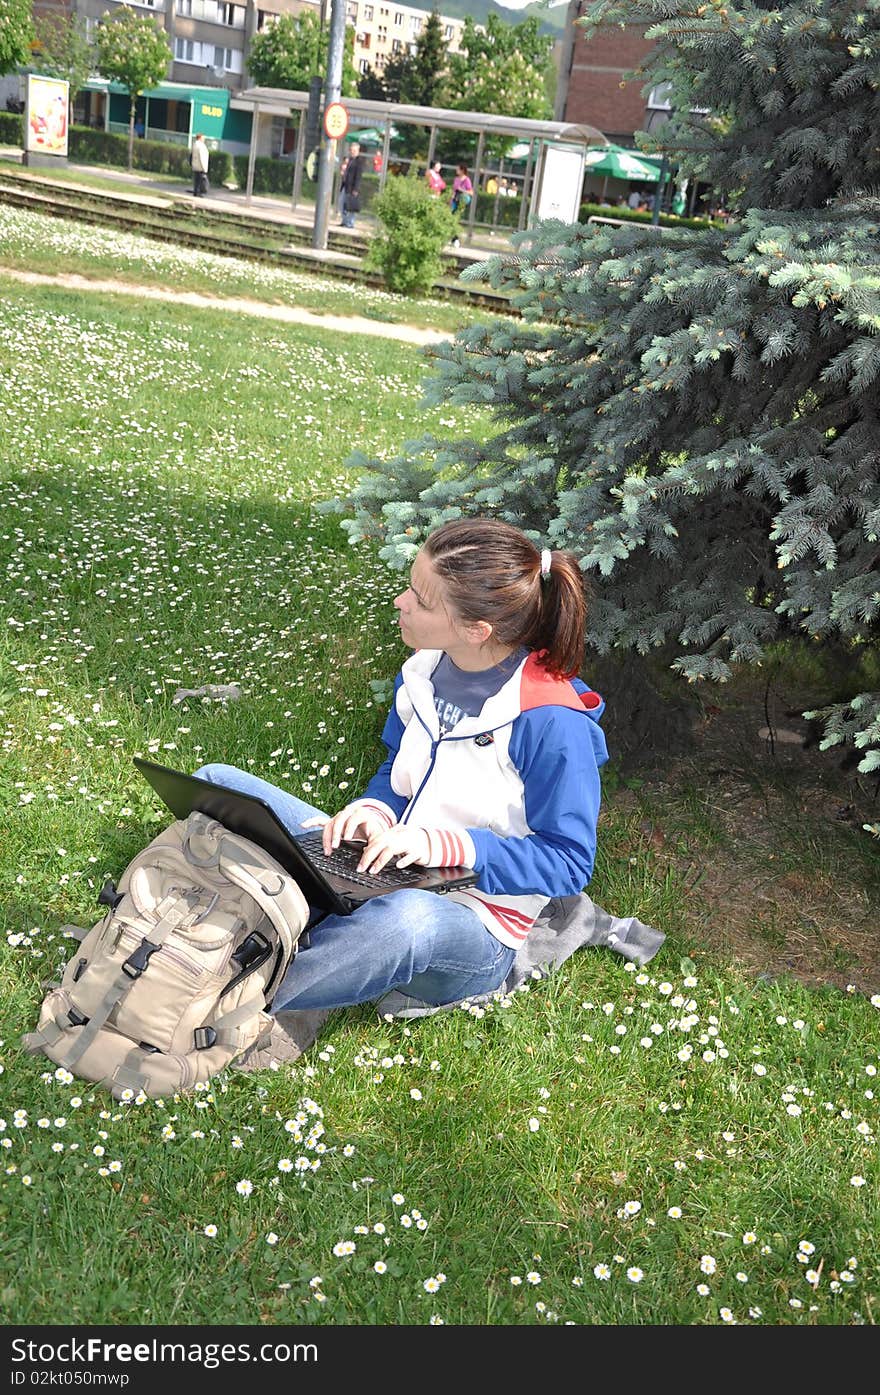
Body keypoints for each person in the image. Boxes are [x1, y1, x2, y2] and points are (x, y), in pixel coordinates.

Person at [193, 518, 608, 1016]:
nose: (400, 602)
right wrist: (376, 811)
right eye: (411, 586)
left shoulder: (552, 724)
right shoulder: (422, 671)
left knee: (405, 921)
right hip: (383, 867)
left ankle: (223, 1004)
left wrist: (443, 845)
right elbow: (398, 768)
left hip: (471, 924)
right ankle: (242, 937)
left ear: (477, 630)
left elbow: (569, 862)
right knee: (216, 784)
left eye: (421, 599)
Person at [339, 140, 364, 229]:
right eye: (351, 150)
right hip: (345, 185)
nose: (352, 152)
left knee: (351, 205)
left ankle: (350, 223)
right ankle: (344, 220)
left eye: (354, 150)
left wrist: (356, 189)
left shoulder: (359, 161)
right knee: (342, 203)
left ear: (357, 151)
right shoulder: (349, 160)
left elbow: (358, 176)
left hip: (352, 187)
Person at [191, 132, 209, 197]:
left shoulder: (195, 144)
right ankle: (200, 192)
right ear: (200, 138)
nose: (204, 139)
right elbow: (202, 157)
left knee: (196, 180)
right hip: (201, 166)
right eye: (203, 138)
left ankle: (196, 192)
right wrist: (204, 168)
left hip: (195, 165)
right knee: (201, 180)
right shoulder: (201, 146)